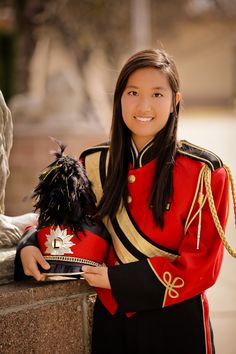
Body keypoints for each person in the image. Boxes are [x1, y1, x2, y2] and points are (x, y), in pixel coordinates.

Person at [16, 49, 235, 354]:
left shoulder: (205, 173)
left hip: (177, 323)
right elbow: (64, 221)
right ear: (119, 98)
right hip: (112, 322)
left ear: (175, 102)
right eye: (133, 92)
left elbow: (202, 266)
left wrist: (117, 280)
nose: (143, 105)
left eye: (157, 94)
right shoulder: (93, 163)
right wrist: (29, 245)